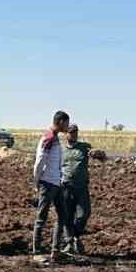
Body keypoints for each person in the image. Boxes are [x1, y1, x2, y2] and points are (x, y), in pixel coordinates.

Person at [32, 111, 72, 263]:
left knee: (62, 216)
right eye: (66, 123)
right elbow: (40, 160)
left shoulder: (55, 137)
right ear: (60, 122)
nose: (68, 126)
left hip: (56, 182)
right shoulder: (48, 137)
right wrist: (36, 181)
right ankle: (36, 252)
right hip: (47, 183)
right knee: (41, 217)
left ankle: (55, 251)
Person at [56, 123, 93, 255]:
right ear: (66, 134)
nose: (73, 134)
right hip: (65, 186)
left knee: (84, 214)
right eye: (71, 132)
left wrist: (99, 154)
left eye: (75, 132)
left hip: (81, 186)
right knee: (67, 215)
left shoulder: (84, 147)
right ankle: (69, 242)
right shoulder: (60, 149)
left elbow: (100, 156)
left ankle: (76, 235)